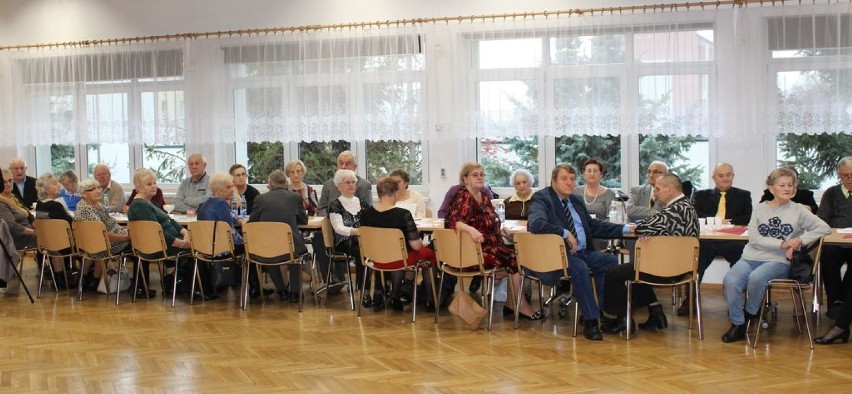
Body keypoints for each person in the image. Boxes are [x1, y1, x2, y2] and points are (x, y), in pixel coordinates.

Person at [721, 167, 830, 343]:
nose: (787, 189)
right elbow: (754, 238)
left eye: (790, 185)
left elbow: (823, 228)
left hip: (779, 260)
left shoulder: (798, 210)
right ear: (771, 188)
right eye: (782, 185)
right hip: (751, 256)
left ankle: (749, 313)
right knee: (730, 281)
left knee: (757, 278)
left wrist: (798, 241)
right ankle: (738, 323)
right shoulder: (759, 208)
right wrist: (782, 243)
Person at [528, 163, 633, 341]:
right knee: (580, 268)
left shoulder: (575, 200)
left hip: (582, 252)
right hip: (557, 256)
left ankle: (600, 310)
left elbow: (593, 226)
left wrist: (624, 228)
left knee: (609, 261)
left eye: (572, 179)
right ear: (553, 181)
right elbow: (535, 224)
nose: (569, 183)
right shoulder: (542, 198)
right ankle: (591, 322)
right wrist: (565, 233)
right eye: (564, 179)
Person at [601, 174, 699, 335]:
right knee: (640, 269)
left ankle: (623, 320)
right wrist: (649, 230)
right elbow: (653, 225)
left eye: (658, 189)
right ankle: (656, 313)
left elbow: (642, 228)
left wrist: (644, 229)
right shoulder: (687, 206)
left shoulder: (673, 210)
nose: (655, 193)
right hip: (683, 268)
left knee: (614, 274)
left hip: (666, 269)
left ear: (671, 189)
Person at [445, 163, 542, 321]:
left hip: (488, 245)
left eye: (482, 174)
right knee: (514, 259)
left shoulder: (483, 196)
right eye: (475, 175)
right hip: (474, 252)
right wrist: (471, 230)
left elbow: (489, 220)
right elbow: (452, 222)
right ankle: (519, 304)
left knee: (516, 257)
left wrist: (499, 229)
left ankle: (513, 303)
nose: (480, 177)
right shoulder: (464, 196)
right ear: (465, 179)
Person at [126, 169, 209, 300]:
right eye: (149, 184)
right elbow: (156, 233)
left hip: (169, 241)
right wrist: (181, 243)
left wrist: (185, 231)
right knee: (203, 246)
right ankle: (195, 290)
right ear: (138, 187)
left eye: (154, 182)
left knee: (200, 241)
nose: (154, 186)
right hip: (162, 245)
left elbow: (169, 219)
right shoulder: (139, 206)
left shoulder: (149, 202)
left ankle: (187, 286)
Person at [683, 163, 752, 315]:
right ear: (714, 178)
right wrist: (715, 221)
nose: (725, 178)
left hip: (733, 243)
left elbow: (747, 217)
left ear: (733, 176)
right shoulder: (700, 195)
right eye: (721, 175)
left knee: (742, 264)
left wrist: (728, 222)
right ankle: (690, 298)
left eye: (728, 175)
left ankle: (739, 301)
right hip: (707, 241)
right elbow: (694, 214)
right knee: (695, 261)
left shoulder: (744, 195)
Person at [360, 177, 436, 311]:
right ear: (395, 193)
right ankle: (430, 300)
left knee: (398, 253)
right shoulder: (403, 214)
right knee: (430, 254)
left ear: (378, 193)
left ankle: (395, 295)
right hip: (399, 260)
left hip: (374, 260)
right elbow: (416, 246)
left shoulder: (365, 214)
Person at [74, 178, 144, 295]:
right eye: (92, 189)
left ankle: (93, 281)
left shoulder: (95, 205)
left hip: (97, 243)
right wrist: (126, 237)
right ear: (83, 194)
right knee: (140, 246)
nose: (98, 191)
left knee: (138, 238)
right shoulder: (86, 209)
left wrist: (124, 230)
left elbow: (110, 222)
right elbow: (103, 234)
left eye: (98, 188)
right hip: (106, 243)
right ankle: (138, 286)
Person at [248, 169, 309, 303]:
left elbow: (252, 223)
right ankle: (295, 292)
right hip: (290, 246)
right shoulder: (295, 197)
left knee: (268, 253)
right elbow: (304, 220)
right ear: (286, 183)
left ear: (270, 183)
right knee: (295, 256)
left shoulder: (260, 199)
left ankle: (281, 290)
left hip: (267, 246)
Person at [314, 151, 371, 287]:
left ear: (355, 166)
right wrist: (330, 222)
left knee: (360, 245)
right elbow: (321, 208)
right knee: (318, 239)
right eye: (341, 163)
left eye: (348, 163)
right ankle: (332, 280)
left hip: (354, 231)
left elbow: (367, 212)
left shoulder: (363, 185)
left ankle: (362, 287)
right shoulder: (328, 184)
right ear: (336, 165)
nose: (344, 166)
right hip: (332, 227)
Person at [197, 171, 253, 296]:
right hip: (220, 249)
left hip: (205, 248)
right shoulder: (221, 203)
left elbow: (227, 217)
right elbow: (230, 231)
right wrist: (246, 240)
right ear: (218, 190)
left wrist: (237, 218)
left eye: (231, 186)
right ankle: (254, 287)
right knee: (251, 248)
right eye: (228, 187)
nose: (232, 190)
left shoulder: (206, 204)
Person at [328, 169, 374, 307]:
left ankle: (380, 291)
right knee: (363, 252)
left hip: (362, 240)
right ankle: (364, 292)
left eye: (353, 182)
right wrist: (358, 231)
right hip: (344, 241)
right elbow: (339, 228)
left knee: (376, 249)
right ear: (339, 186)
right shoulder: (335, 205)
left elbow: (370, 223)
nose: (351, 185)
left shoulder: (363, 203)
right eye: (347, 182)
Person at [817, 156, 852, 319]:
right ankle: (835, 304)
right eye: (846, 175)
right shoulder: (831, 193)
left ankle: (840, 302)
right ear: (839, 174)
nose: (849, 179)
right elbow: (822, 219)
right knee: (827, 255)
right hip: (835, 242)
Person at [573, 158, 616, 251]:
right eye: (589, 171)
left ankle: (593, 262)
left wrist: (595, 226)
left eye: (595, 171)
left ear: (601, 174)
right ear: (584, 173)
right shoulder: (576, 191)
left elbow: (612, 218)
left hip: (599, 232)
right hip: (579, 230)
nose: (592, 174)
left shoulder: (609, 194)